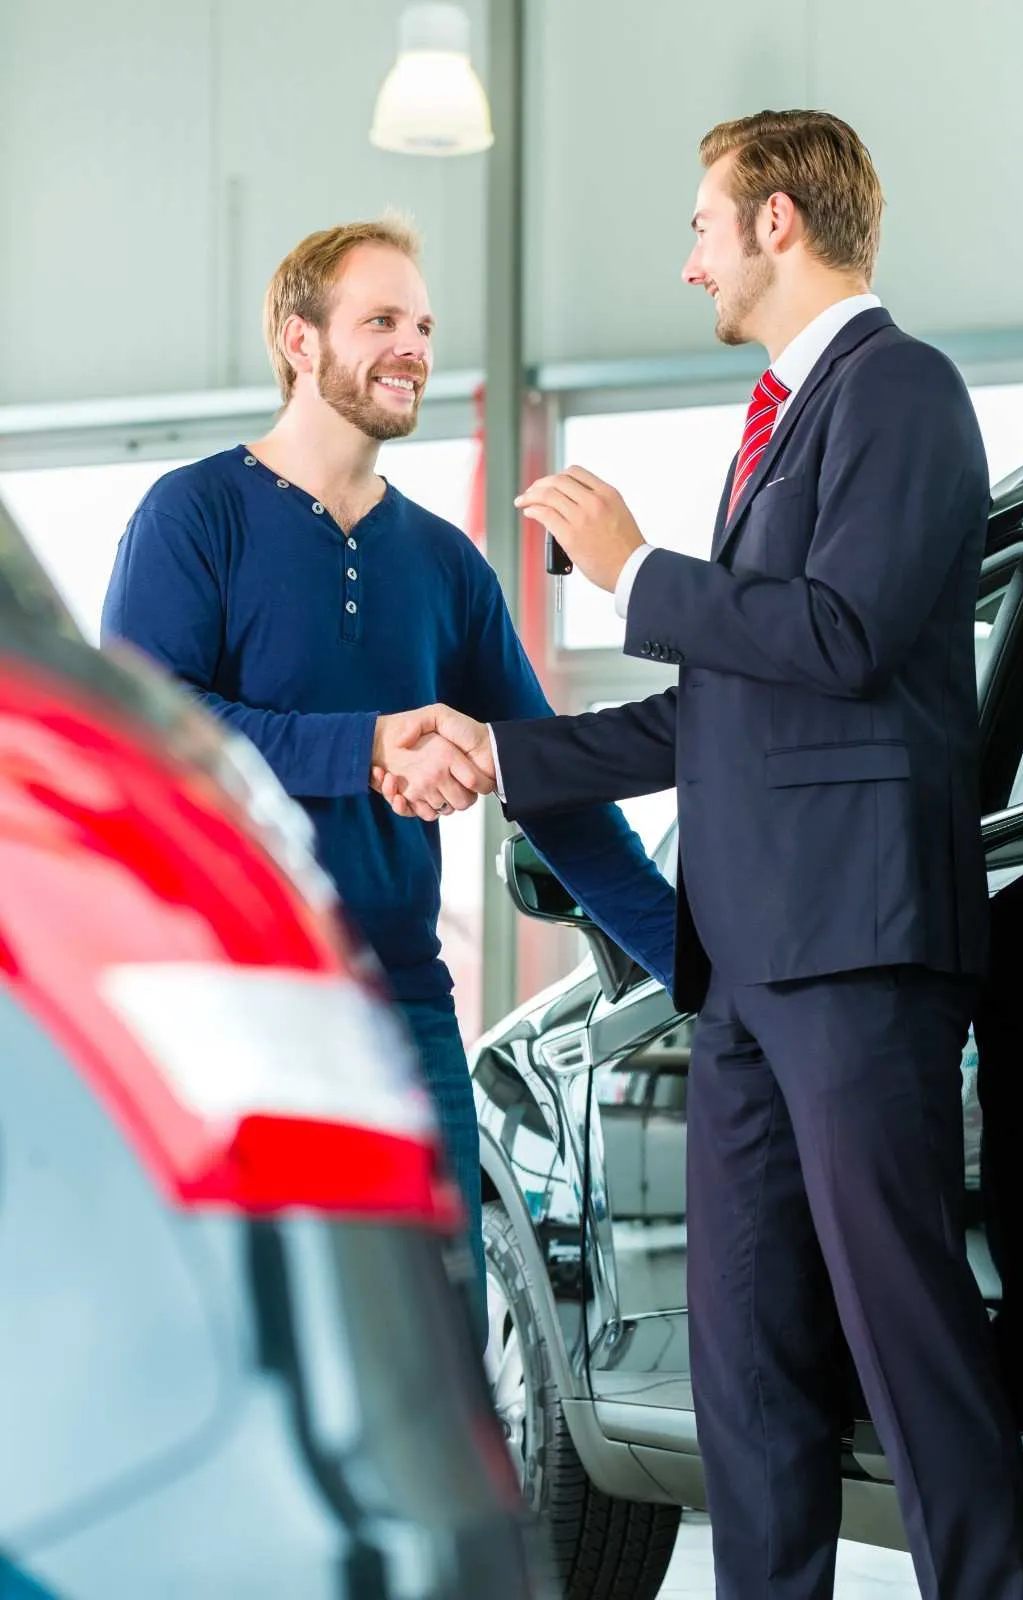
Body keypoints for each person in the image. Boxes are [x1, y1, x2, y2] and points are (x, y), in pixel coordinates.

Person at [375, 113, 1023, 1597]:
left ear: (777, 224)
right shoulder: (777, 427)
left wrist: (632, 570)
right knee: (741, 1367)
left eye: (698, 226)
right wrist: (496, 753)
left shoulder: (900, 395)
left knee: (906, 1344)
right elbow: (729, 703)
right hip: (736, 974)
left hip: (857, 955)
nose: (686, 263)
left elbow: (838, 637)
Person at [101, 217, 676, 1352]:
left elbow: (548, 783)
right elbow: (148, 736)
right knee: (257, 1362)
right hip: (237, 1009)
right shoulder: (193, 516)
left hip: (406, 1013)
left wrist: (698, 963)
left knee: (432, 1366)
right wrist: (365, 747)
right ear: (298, 340)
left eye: (421, 325)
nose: (412, 346)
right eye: (381, 321)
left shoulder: (446, 567)